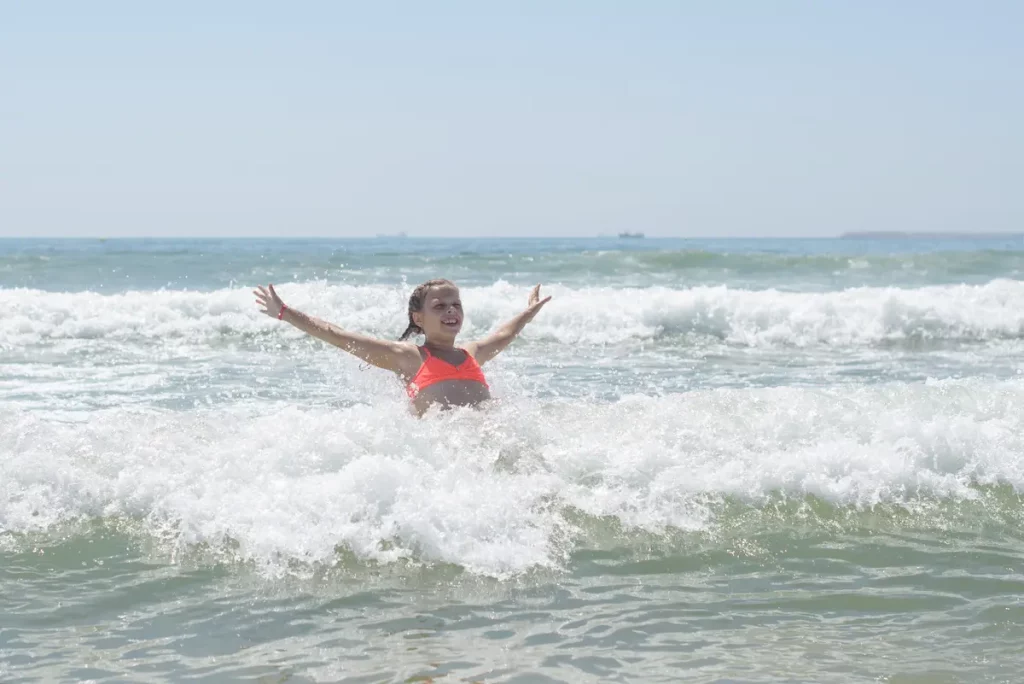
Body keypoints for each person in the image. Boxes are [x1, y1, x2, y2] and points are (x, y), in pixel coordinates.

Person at [254, 279, 551, 415]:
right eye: (440, 306)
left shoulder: (471, 353)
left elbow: (505, 334)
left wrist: (529, 311)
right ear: (418, 318)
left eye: (456, 305)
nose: (451, 311)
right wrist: (285, 312)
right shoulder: (408, 356)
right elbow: (341, 336)